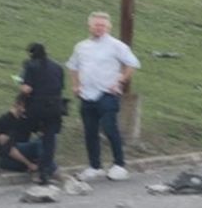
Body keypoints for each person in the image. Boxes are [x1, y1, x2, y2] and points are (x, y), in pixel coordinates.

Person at [66, 12, 142, 182]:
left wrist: (120, 80)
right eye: (96, 25)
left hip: (107, 93)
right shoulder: (81, 46)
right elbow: (73, 66)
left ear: (108, 27)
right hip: (87, 94)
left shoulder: (116, 46)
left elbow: (132, 64)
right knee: (90, 131)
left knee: (109, 127)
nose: (99, 28)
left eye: (103, 25)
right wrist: (76, 85)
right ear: (90, 26)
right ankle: (94, 166)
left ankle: (119, 164)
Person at [20, 42, 66, 184]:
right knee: (49, 139)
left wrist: (21, 87)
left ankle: (27, 163)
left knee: (25, 131)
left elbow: (27, 89)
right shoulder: (58, 67)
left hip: (37, 106)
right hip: (56, 107)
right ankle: (45, 171)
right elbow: (60, 86)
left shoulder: (31, 65)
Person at [0, 95, 43, 176]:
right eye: (25, 107)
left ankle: (43, 166)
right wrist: (29, 164)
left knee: (45, 139)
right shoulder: (4, 121)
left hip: (22, 154)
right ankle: (45, 168)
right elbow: (8, 149)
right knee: (38, 145)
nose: (26, 110)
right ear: (17, 105)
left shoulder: (25, 120)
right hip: (8, 159)